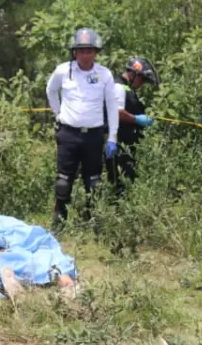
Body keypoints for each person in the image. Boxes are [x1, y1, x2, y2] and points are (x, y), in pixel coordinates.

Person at [45, 27, 119, 226]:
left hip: (93, 136)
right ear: (74, 52)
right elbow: (51, 91)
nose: (85, 55)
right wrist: (58, 114)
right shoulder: (63, 70)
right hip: (68, 133)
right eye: (81, 50)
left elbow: (112, 106)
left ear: (96, 52)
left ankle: (92, 221)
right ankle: (59, 223)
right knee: (63, 181)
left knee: (94, 182)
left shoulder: (105, 74)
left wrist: (112, 137)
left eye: (89, 50)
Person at [108, 56, 159, 192]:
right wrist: (137, 119)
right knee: (120, 183)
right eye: (141, 79)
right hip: (118, 145)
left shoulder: (126, 89)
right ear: (134, 74)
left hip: (126, 145)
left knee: (127, 181)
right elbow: (117, 113)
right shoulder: (118, 86)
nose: (141, 84)